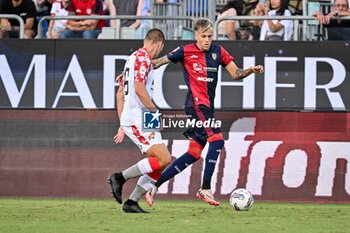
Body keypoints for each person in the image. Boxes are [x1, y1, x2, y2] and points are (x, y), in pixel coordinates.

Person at [145, 18, 264, 207]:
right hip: (196, 105)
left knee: (193, 153)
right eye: (203, 36)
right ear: (196, 36)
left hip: (207, 107)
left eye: (210, 36)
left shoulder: (219, 52)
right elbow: (158, 62)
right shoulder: (185, 51)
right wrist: (133, 71)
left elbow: (236, 74)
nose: (207, 40)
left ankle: (154, 185)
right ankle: (206, 188)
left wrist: (250, 70)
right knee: (217, 140)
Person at [108, 28, 172, 213]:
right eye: (161, 48)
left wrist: (122, 122)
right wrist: (154, 112)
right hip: (139, 116)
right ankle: (119, 177)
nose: (159, 51)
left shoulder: (132, 59)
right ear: (159, 44)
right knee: (164, 158)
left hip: (141, 117)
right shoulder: (143, 58)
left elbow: (120, 94)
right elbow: (138, 88)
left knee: (161, 161)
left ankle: (132, 202)